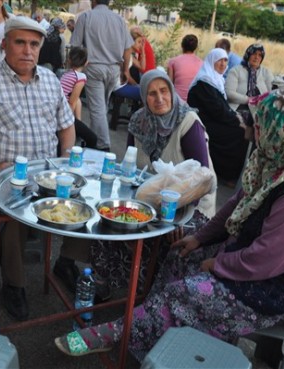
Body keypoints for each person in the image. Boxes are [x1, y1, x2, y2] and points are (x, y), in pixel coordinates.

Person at [55, 88, 284, 362]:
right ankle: (156, 331)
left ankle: (117, 333)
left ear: (277, 132)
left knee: (186, 293)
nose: (245, 130)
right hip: (253, 259)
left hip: (278, 289)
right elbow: (235, 206)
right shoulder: (275, 164)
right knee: (181, 253)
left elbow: (270, 259)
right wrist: (201, 239)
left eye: (253, 124)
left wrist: (219, 264)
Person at [0, 16, 75, 321]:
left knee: (84, 198)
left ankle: (69, 262)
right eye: (20, 42)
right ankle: (14, 284)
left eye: (34, 44)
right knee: (14, 205)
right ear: (5, 44)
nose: (27, 51)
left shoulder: (49, 80)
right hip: (1, 173)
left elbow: (67, 126)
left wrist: (68, 163)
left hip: (46, 171)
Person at [92, 69, 217, 290]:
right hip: (148, 200)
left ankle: (152, 294)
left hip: (190, 207)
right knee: (109, 222)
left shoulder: (188, 121)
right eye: (151, 93)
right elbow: (130, 168)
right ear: (143, 97)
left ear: (171, 91)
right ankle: (107, 283)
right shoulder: (139, 121)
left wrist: (180, 215)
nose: (159, 99)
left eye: (163, 91)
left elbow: (202, 179)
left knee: (168, 238)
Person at [70, 0, 134, 151]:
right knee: (101, 108)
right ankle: (95, 141)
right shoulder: (119, 20)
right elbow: (128, 48)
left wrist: (73, 69)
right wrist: (126, 70)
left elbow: (75, 46)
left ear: (94, 1)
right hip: (114, 69)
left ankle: (103, 147)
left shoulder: (86, 17)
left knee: (98, 109)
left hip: (93, 67)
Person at [188, 48, 249, 186]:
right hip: (202, 122)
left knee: (241, 127)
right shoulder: (204, 81)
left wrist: (235, 116)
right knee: (239, 132)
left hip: (213, 119)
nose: (223, 64)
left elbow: (221, 107)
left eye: (225, 60)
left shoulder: (216, 79)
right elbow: (216, 110)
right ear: (212, 61)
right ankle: (225, 174)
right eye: (219, 60)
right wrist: (235, 119)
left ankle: (227, 172)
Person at [59, 47, 98, 148]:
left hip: (59, 109)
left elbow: (76, 100)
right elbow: (72, 102)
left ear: (69, 60)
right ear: (86, 62)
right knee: (92, 138)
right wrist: (69, 122)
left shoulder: (66, 74)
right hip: (64, 113)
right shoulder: (81, 77)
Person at [225, 43, 274, 117]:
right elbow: (229, 93)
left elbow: (272, 93)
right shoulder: (235, 71)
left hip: (260, 110)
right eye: (254, 54)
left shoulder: (266, 72)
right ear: (248, 55)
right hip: (238, 109)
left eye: (260, 55)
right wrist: (249, 100)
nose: (256, 57)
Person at [166, 34, 203, 102]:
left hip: (178, 100)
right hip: (195, 101)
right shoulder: (201, 63)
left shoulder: (173, 62)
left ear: (182, 46)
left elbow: (169, 84)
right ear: (196, 47)